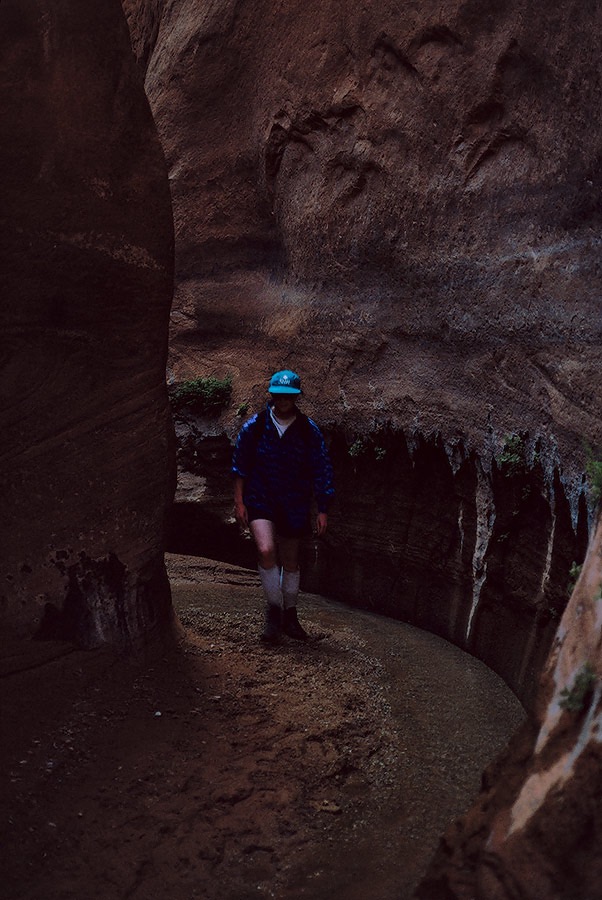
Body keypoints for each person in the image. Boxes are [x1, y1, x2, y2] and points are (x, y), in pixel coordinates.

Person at [232, 369, 334, 642]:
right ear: (273, 395)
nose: (284, 400)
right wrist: (239, 501)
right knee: (266, 549)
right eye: (279, 395)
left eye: (289, 396)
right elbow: (240, 466)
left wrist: (322, 508)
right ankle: (273, 613)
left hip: (294, 502)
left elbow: (321, 469)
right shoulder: (255, 426)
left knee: (290, 561)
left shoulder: (308, 431)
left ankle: (290, 615)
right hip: (261, 497)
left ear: (296, 397)